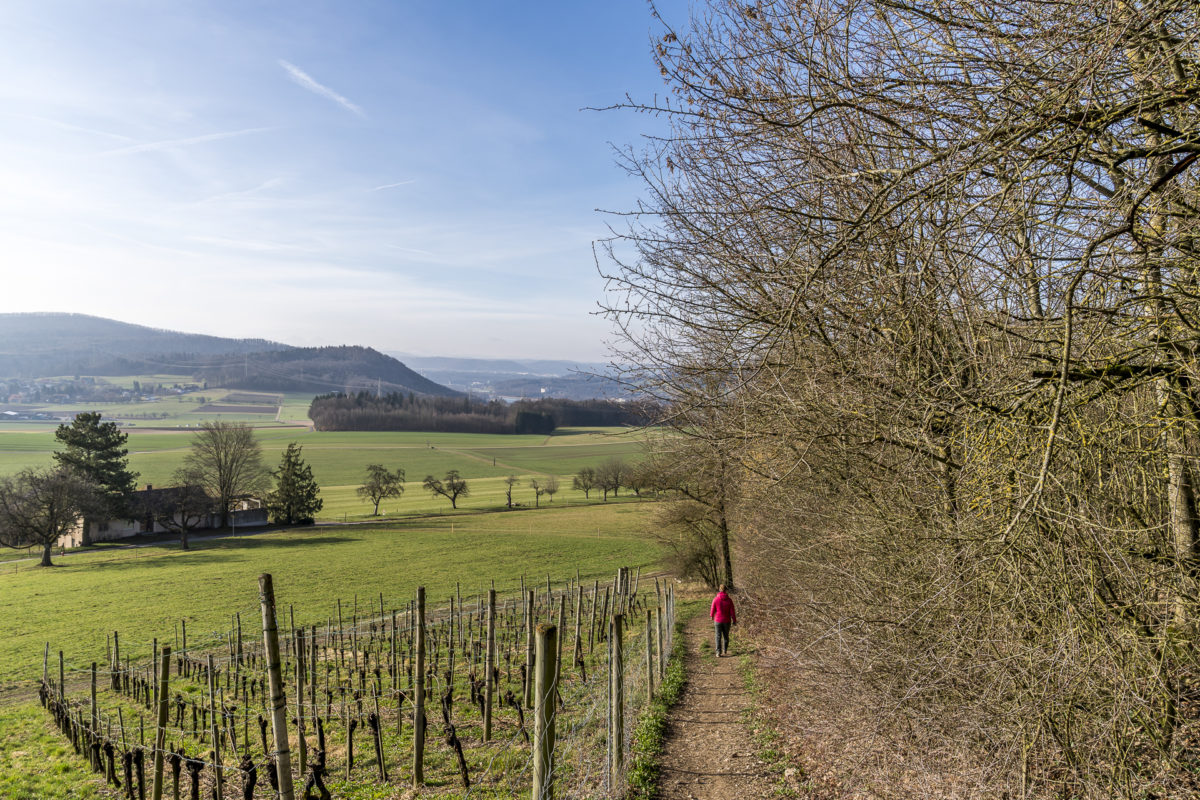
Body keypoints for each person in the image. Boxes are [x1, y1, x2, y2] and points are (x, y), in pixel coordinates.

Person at [710, 584, 736, 656]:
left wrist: (711, 615)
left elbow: (713, 608)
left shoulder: (715, 599)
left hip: (718, 620)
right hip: (727, 621)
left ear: (719, 589)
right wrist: (734, 620)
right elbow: (732, 611)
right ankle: (725, 650)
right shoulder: (729, 600)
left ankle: (718, 652)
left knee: (718, 636)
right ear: (726, 590)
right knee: (726, 636)